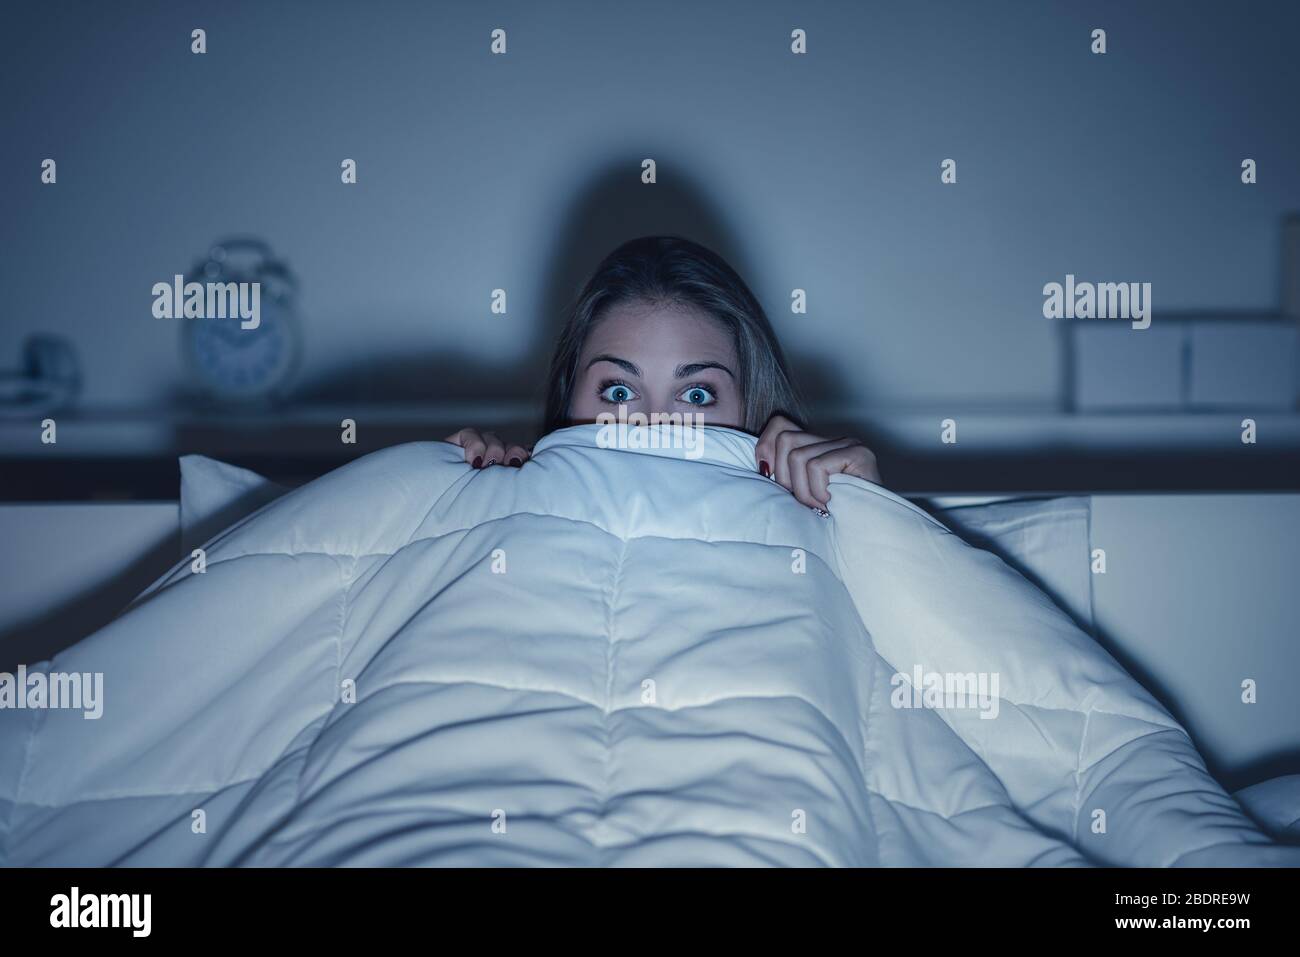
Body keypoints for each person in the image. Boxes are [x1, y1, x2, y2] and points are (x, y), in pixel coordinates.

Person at [444, 235, 881, 511]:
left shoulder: (826, 533)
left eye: (695, 395)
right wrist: (435, 496)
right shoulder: (498, 511)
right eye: (618, 393)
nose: (652, 427)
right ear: (567, 400)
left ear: (755, 410)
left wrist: (870, 515)